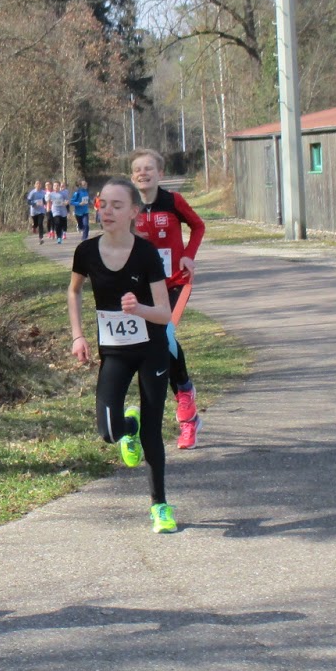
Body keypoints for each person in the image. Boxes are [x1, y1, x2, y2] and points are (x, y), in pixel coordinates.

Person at [68, 177, 178, 533]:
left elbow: (165, 313)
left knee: (152, 432)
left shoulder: (145, 253)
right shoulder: (86, 252)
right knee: (108, 432)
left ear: (133, 212)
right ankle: (128, 425)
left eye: (118, 205)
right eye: (103, 204)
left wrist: (139, 309)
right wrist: (78, 335)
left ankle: (160, 506)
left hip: (151, 350)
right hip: (114, 352)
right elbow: (74, 292)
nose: (108, 211)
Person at [129, 149, 206, 450]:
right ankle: (190, 417)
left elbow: (198, 226)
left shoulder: (173, 201)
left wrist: (188, 255)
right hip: (144, 287)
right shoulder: (129, 206)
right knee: (156, 343)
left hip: (174, 282)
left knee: (165, 332)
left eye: (149, 168)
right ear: (132, 176)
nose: (143, 173)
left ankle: (184, 393)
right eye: (138, 169)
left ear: (160, 174)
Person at [47, 179, 70, 244]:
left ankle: (61, 233)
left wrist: (65, 203)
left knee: (62, 224)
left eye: (57, 185)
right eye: (54, 186)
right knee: (57, 223)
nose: (56, 187)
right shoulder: (51, 194)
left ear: (59, 186)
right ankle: (59, 237)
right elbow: (48, 201)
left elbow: (67, 201)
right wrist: (48, 208)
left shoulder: (63, 193)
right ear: (53, 187)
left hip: (63, 210)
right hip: (55, 210)